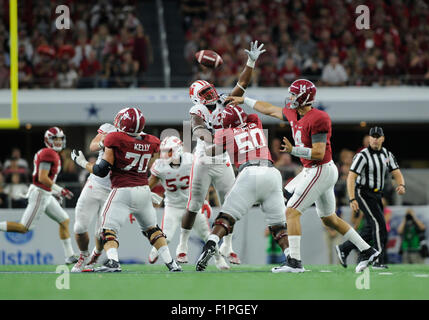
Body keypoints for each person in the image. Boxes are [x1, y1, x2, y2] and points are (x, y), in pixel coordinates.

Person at [226, 79, 379, 273]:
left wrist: (293, 150)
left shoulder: (319, 118)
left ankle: (294, 262)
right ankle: (367, 250)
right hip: (314, 170)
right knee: (329, 218)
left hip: (320, 169)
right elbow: (270, 109)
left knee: (291, 211)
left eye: (293, 94)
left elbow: (318, 153)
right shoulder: (294, 112)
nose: (289, 97)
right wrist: (244, 99)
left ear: (304, 97)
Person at [178, 40, 266, 265]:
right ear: (196, 98)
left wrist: (251, 61)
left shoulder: (223, 100)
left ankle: (228, 246)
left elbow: (243, 84)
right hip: (204, 159)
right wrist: (212, 140)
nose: (210, 93)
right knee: (194, 204)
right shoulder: (196, 109)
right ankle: (182, 243)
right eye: (205, 92)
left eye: (210, 90)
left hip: (223, 158)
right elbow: (197, 128)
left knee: (231, 204)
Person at [72, 107, 181, 272]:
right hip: (143, 189)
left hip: (121, 189)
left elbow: (101, 170)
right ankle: (171, 263)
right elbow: (154, 165)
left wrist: (82, 163)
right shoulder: (152, 141)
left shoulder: (114, 138)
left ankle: (113, 262)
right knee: (153, 229)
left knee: (107, 230)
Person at [195, 105, 288, 271]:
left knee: (226, 217)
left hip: (249, 173)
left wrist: (201, 148)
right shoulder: (255, 122)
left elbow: (212, 152)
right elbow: (248, 116)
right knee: (279, 226)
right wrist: (232, 104)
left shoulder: (225, 133)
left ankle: (210, 244)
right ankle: (292, 258)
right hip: (272, 173)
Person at [147, 136, 229, 270]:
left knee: (207, 236)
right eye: (162, 151)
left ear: (177, 150)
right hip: (172, 206)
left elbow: (203, 181)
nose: (164, 155)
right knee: (166, 236)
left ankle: (219, 259)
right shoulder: (159, 166)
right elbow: (148, 185)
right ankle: (155, 250)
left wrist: (205, 201)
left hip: (191, 206)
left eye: (168, 151)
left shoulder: (190, 160)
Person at [0, 127, 78, 264]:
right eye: (55, 139)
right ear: (48, 140)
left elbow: (45, 179)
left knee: (64, 220)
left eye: (60, 139)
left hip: (46, 194)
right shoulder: (49, 153)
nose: (59, 142)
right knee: (24, 228)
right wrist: (59, 190)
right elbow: (42, 178)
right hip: (40, 194)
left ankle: (69, 256)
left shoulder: (50, 153)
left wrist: (53, 191)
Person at [336, 126, 406, 269]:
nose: (374, 139)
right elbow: (351, 177)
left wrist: (401, 184)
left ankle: (345, 248)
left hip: (377, 194)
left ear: (382, 138)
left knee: (369, 228)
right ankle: (377, 260)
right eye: (372, 136)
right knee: (379, 225)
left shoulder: (386, 154)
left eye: (377, 136)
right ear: (369, 138)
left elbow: (396, 171)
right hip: (363, 192)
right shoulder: (363, 155)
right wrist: (352, 198)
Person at [71, 122, 116, 272]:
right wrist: (107, 141)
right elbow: (93, 145)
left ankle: (95, 255)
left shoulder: (134, 138)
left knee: (102, 232)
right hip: (95, 184)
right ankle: (83, 255)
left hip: (114, 189)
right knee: (79, 227)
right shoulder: (109, 129)